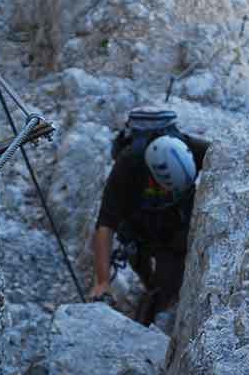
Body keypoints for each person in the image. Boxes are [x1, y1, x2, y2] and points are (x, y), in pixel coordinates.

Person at [88, 109, 209, 325]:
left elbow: (227, 155)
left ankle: (156, 308)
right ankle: (150, 293)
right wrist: (102, 281)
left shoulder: (193, 148)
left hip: (176, 231)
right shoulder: (129, 164)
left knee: (168, 285)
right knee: (147, 275)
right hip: (138, 232)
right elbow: (106, 223)